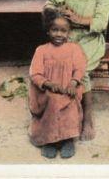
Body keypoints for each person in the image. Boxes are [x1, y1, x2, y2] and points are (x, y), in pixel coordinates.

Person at [44, 0, 109, 140]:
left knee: (79, 71)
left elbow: (101, 23)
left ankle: (87, 118)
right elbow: (50, 2)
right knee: (56, 66)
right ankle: (62, 113)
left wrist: (77, 18)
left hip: (90, 40)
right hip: (68, 37)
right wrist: (54, 10)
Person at [29, 10, 87, 158]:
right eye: (55, 30)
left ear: (69, 33)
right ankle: (50, 140)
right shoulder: (41, 50)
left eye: (63, 31)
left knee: (70, 106)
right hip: (48, 91)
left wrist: (73, 84)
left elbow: (80, 68)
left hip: (68, 88)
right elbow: (35, 73)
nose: (59, 34)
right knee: (53, 102)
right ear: (48, 31)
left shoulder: (74, 49)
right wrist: (47, 83)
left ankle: (67, 139)